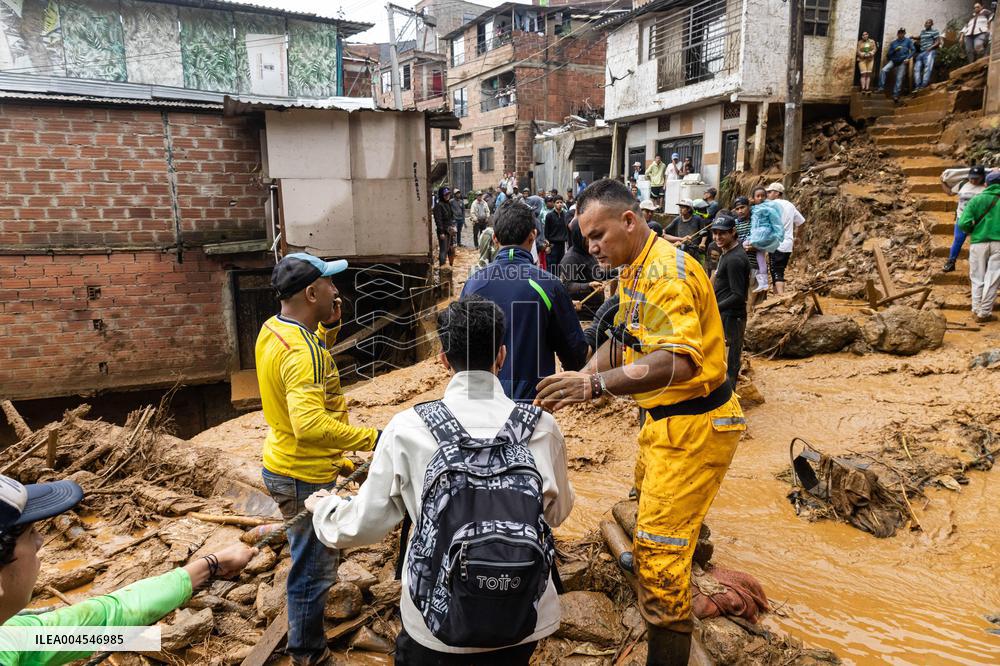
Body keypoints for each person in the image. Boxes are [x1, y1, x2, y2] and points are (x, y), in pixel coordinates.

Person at [535, 179, 745, 666]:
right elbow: (623, 337)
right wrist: (584, 373)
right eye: (585, 238)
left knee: (658, 558)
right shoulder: (633, 268)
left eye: (597, 235)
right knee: (644, 508)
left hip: (695, 426)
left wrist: (597, 387)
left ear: (629, 221)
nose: (590, 248)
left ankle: (667, 632)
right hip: (663, 422)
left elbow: (679, 361)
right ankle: (676, 556)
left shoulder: (666, 275)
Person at [309, 296, 574, 664]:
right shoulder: (542, 426)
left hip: (435, 625)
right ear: (501, 355)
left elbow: (361, 527)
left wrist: (324, 509)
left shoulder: (407, 427)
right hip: (523, 615)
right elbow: (557, 513)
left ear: (444, 360)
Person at [256, 253, 380, 665]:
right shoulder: (302, 353)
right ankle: (308, 653)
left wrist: (329, 327)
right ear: (311, 292)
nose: (335, 289)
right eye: (329, 284)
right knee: (314, 571)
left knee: (307, 558)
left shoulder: (275, 330)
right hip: (304, 474)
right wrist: (372, 438)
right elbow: (310, 424)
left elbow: (306, 365)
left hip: (285, 460)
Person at [0, 475, 257, 665]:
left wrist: (212, 564)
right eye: (29, 533)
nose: (40, 542)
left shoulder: (11, 638)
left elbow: (103, 620)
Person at [462, 201, 588, 400]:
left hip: (480, 400)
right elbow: (575, 353)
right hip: (531, 403)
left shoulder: (473, 284)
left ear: (495, 239)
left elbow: (460, 346)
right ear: (533, 236)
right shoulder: (548, 285)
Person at [710, 216, 751, 388]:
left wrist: (713, 308)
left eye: (722, 234)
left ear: (733, 232)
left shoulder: (734, 259)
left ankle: (730, 403)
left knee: (730, 362)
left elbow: (738, 295)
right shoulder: (728, 253)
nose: (717, 238)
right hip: (726, 315)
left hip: (732, 318)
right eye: (715, 233)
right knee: (726, 359)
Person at [957, 171, 1000, 323]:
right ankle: (984, 313)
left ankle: (976, 309)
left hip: (978, 242)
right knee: (993, 278)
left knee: (977, 277)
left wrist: (971, 230)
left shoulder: (977, 200)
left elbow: (963, 223)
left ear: (986, 184)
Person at [942, 165, 988, 272]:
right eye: (971, 177)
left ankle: (982, 266)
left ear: (983, 177)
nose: (973, 180)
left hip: (980, 220)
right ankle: (951, 262)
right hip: (962, 217)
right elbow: (950, 193)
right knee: (958, 239)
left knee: (979, 243)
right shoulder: (963, 183)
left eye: (976, 178)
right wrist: (942, 182)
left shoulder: (987, 186)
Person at [764, 182, 806, 295]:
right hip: (787, 244)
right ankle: (776, 297)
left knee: (776, 271)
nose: (767, 194)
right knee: (778, 270)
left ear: (777, 193)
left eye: (770, 192)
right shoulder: (790, 205)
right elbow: (801, 222)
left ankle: (781, 297)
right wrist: (798, 237)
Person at [560, 217, 605, 318]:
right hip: (583, 313)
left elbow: (596, 273)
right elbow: (568, 286)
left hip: (595, 309)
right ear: (578, 236)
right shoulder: (570, 258)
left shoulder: (588, 252)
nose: (593, 241)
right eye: (589, 238)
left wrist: (617, 272)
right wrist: (588, 285)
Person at [745, 188, 784, 294]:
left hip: (762, 234)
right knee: (759, 258)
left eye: (762, 196)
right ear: (754, 198)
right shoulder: (753, 208)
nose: (760, 198)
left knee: (748, 247)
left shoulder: (769, 208)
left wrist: (779, 235)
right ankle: (763, 283)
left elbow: (776, 222)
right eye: (758, 196)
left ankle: (764, 282)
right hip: (755, 234)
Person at [878, 28, 916, 102]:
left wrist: (908, 58)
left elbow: (913, 50)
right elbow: (888, 54)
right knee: (883, 70)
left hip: (902, 61)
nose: (901, 34)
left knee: (899, 78)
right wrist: (894, 50)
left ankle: (896, 95)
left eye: (902, 33)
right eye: (899, 33)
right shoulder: (893, 43)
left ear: (904, 33)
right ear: (897, 34)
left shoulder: (908, 41)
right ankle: (881, 88)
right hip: (894, 60)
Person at [913, 19, 941, 91]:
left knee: (927, 67)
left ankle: (923, 86)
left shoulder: (935, 31)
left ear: (932, 24)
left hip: (930, 52)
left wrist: (930, 48)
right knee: (916, 69)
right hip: (921, 53)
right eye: (926, 23)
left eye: (929, 23)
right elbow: (920, 37)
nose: (927, 24)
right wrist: (912, 37)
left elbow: (938, 42)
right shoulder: (923, 32)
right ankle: (917, 86)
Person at [545, 197, 570, 270]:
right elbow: (546, 232)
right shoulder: (549, 216)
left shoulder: (565, 215)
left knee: (561, 265)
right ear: (554, 204)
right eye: (557, 202)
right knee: (552, 266)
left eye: (561, 202)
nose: (559, 204)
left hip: (562, 245)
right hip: (553, 245)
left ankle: (559, 281)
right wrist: (548, 246)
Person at [434, 187, 456, 266]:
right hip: (443, 231)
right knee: (443, 250)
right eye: (445, 194)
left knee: (451, 249)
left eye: (448, 194)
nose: (447, 196)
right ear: (441, 195)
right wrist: (441, 232)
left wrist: (453, 226)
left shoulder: (448, 204)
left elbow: (451, 217)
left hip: (450, 230)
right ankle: (442, 268)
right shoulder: (438, 206)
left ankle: (450, 267)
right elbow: (438, 220)